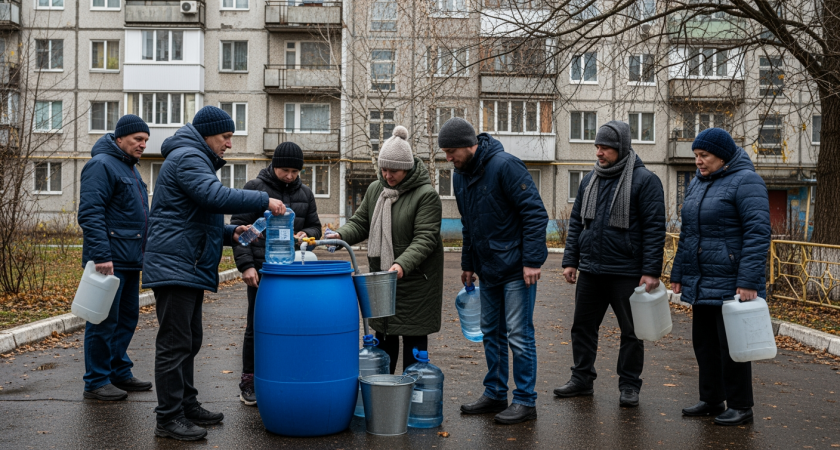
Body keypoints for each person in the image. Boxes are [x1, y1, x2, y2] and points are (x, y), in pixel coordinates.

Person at [142, 106, 285, 441]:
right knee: (175, 344)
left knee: (188, 340)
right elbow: (213, 196)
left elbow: (195, 215)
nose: (229, 145)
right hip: (176, 265)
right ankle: (168, 418)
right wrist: (265, 199)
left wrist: (229, 233)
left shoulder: (192, 157)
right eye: (226, 137)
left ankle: (186, 404)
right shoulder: (188, 157)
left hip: (185, 263)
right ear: (208, 134)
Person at [440, 117, 548, 425]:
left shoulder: (505, 166)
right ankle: (496, 393)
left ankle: (525, 401)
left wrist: (532, 260)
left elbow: (535, 213)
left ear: (468, 144)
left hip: (516, 268)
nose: (448, 158)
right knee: (491, 333)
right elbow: (469, 224)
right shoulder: (461, 176)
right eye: (445, 152)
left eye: (451, 151)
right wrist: (468, 264)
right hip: (487, 268)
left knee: (518, 334)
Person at [556, 120, 665, 408]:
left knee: (632, 332)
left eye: (604, 148)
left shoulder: (645, 180)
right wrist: (571, 260)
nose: (598, 153)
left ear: (621, 148)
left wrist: (651, 270)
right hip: (591, 270)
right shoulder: (591, 179)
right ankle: (581, 379)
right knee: (582, 327)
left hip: (627, 272)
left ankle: (629, 385)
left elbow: (655, 229)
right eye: (597, 147)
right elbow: (577, 223)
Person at [670, 128, 770, 426]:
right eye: (696, 156)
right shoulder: (698, 184)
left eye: (704, 156)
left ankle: (741, 406)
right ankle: (712, 399)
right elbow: (687, 233)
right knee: (705, 343)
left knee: (733, 347)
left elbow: (758, 232)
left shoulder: (747, 181)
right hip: (702, 278)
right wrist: (678, 274)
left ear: (722, 156)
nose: (698, 162)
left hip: (732, 281)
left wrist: (749, 281)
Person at [326, 126, 444, 374]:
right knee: (383, 345)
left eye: (394, 170)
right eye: (384, 169)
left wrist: (401, 264)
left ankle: (412, 403)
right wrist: (340, 235)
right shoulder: (375, 190)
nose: (387, 175)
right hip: (383, 281)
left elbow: (426, 238)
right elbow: (361, 223)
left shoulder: (426, 196)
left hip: (415, 285)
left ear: (408, 168)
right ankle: (383, 400)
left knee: (414, 352)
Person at [230, 141, 322, 406]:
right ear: (273, 165)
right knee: (256, 325)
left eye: (295, 171)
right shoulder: (255, 189)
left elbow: (315, 225)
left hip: (292, 273)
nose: (290, 176)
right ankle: (249, 379)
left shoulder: (305, 193)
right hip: (260, 271)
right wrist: (246, 265)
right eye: (285, 170)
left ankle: (286, 374)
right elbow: (238, 230)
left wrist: (308, 234)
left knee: (292, 324)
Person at [77, 115, 152, 401]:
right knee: (103, 321)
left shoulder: (129, 168)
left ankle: (117, 371)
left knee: (126, 318)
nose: (143, 145)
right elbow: (90, 213)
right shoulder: (101, 165)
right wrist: (101, 256)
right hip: (109, 261)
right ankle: (96, 381)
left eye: (146, 140)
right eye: (138, 139)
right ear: (120, 138)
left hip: (131, 258)